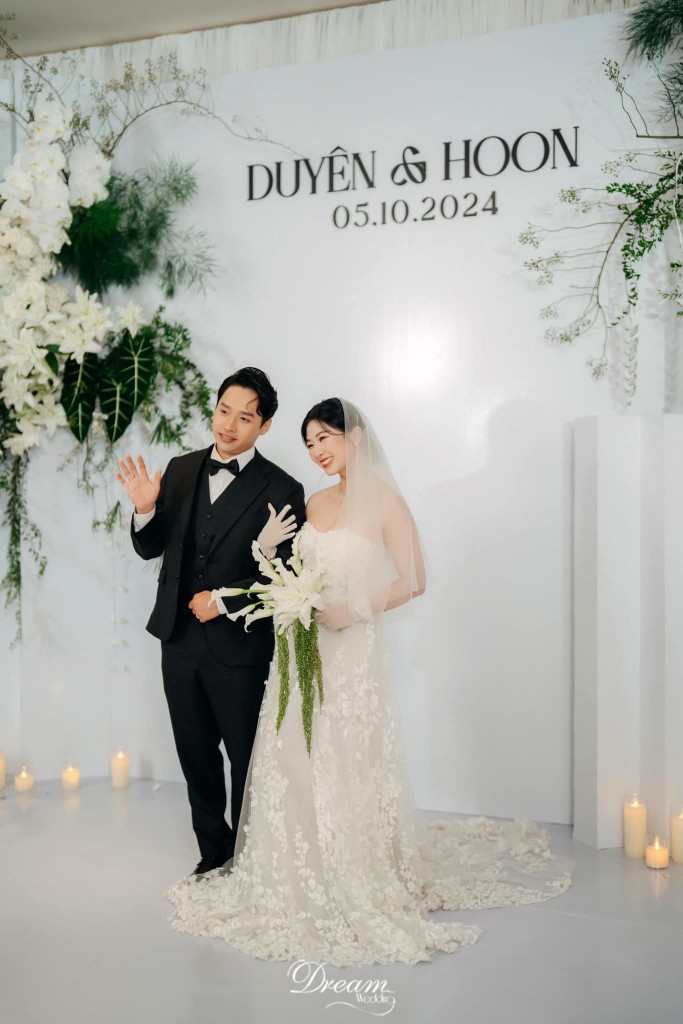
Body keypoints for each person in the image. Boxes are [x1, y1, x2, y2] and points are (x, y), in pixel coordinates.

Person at [165, 398, 572, 965]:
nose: (317, 451)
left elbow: (414, 580)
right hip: (299, 650)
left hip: (349, 650)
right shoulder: (314, 501)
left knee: (343, 756)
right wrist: (265, 551)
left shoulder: (386, 503)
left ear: (354, 435)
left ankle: (351, 868)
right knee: (294, 756)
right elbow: (292, 575)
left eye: (325, 438)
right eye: (309, 443)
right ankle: (291, 866)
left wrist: (353, 610)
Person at [117, 367, 305, 876]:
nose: (229, 425)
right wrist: (144, 510)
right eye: (224, 411)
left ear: (264, 426)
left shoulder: (283, 488)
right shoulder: (180, 470)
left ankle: (249, 854)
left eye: (244, 417)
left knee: (246, 754)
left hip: (240, 646)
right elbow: (150, 547)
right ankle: (213, 850)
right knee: (194, 752)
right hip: (178, 641)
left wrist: (223, 601)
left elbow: (285, 578)